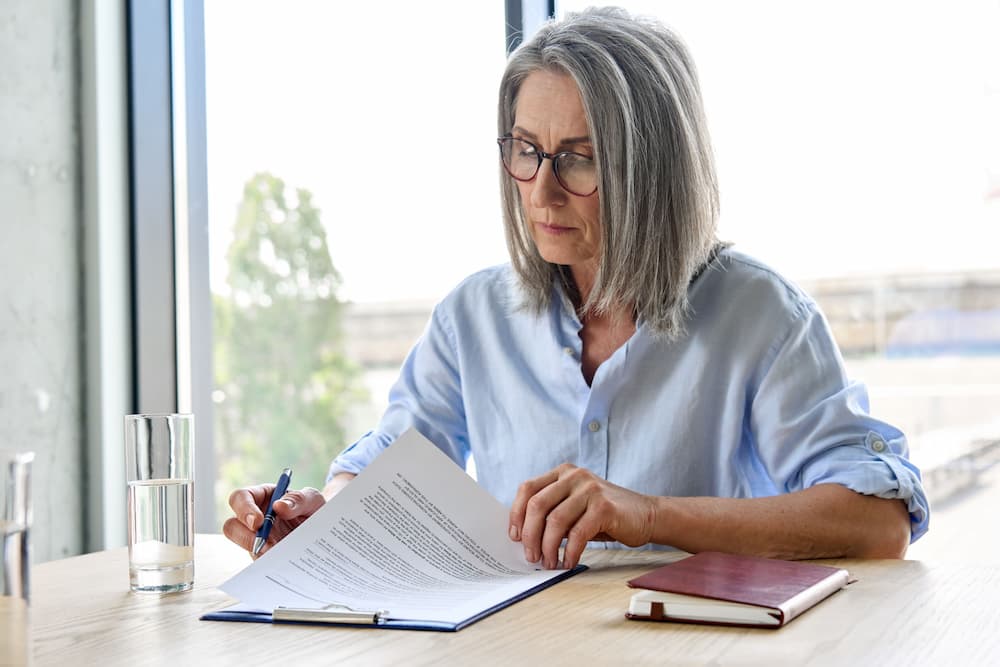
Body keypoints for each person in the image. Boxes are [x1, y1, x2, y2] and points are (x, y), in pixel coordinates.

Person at [224, 7, 929, 570]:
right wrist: (327, 513)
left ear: (652, 169)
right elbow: (393, 458)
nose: (542, 190)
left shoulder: (761, 316)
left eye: (579, 159)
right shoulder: (473, 316)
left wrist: (646, 514)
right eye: (526, 150)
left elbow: (876, 521)